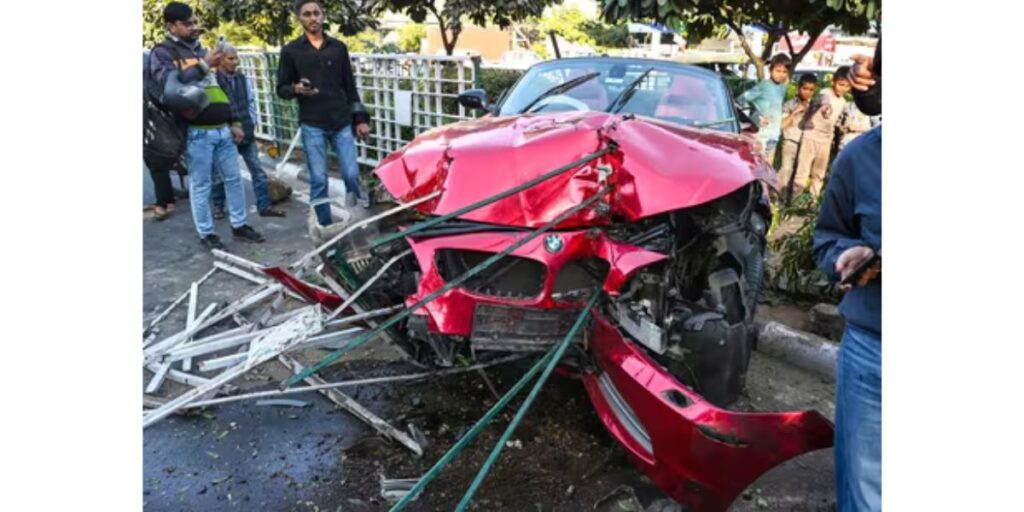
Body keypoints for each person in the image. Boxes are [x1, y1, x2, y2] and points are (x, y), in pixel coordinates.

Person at [149, 2, 265, 250]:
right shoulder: (164, 53)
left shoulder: (199, 49)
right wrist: (203, 64)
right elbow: (168, 86)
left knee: (233, 179)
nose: (194, 27)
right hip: (196, 133)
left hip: (222, 129)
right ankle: (207, 233)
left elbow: (219, 90)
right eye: (187, 23)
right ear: (171, 26)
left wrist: (233, 120)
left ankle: (239, 225)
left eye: (194, 22)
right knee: (201, 185)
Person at [276, 0, 371, 226]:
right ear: (300, 19)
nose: (313, 18)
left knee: (351, 174)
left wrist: (360, 119)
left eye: (316, 13)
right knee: (319, 179)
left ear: (323, 15)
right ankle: (327, 227)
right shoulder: (291, 51)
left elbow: (350, 86)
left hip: (341, 122)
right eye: (307, 14)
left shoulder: (338, 48)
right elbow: (281, 88)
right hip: (312, 123)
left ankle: (357, 219)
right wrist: (296, 89)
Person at [210, 44, 286, 219]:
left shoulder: (241, 78)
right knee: (221, 173)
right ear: (220, 59)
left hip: (246, 131)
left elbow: (250, 102)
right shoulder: (213, 81)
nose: (235, 62)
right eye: (231, 58)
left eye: (236, 58)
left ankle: (264, 206)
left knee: (257, 171)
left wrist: (251, 123)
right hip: (225, 134)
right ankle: (219, 206)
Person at [793, 66, 852, 197]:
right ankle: (794, 201)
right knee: (802, 173)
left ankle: (812, 202)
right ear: (833, 82)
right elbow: (823, 100)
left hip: (826, 141)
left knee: (819, 174)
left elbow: (837, 121)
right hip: (810, 137)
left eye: (847, 86)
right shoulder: (824, 93)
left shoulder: (843, 102)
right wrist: (825, 107)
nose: (843, 88)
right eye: (841, 84)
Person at [739, 53, 791, 163]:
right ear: (770, 70)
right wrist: (757, 116)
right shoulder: (763, 86)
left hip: (774, 136)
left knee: (768, 168)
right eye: (778, 71)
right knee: (757, 166)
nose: (781, 74)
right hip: (761, 136)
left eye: (784, 72)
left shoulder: (782, 88)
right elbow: (742, 100)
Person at [777, 73, 818, 203]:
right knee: (786, 170)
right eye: (805, 89)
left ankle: (795, 202)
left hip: (808, 143)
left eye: (811, 90)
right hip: (791, 141)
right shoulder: (789, 104)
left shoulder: (816, 106)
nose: (807, 92)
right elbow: (782, 125)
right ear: (798, 88)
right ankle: (781, 200)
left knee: (801, 174)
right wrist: (795, 112)